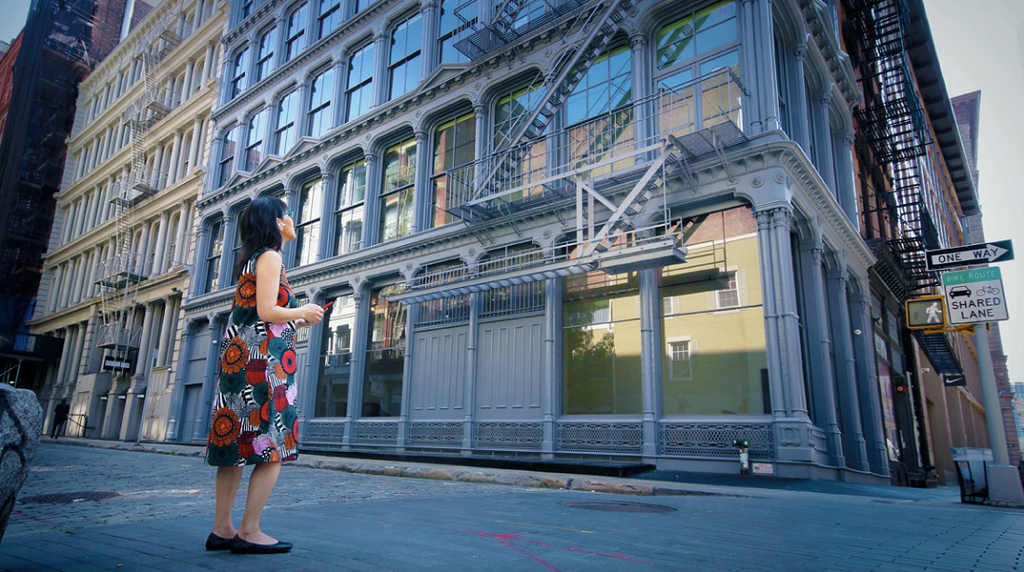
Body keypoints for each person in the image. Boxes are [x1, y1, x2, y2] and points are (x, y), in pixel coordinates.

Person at [204, 196, 323, 555]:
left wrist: (294, 319)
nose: (293, 220)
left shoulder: (252, 260)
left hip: (240, 359)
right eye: (287, 214)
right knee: (271, 447)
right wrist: (300, 309)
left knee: (234, 449)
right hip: (262, 367)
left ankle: (222, 529)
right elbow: (268, 310)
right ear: (274, 222)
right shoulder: (272, 257)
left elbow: (259, 313)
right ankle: (249, 531)